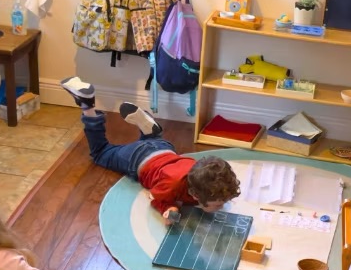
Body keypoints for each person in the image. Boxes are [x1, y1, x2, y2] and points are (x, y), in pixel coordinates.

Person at [61, 77, 240, 223]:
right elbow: (154, 196)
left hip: (164, 148)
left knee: (155, 143)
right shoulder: (172, 185)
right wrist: (169, 208)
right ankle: (88, 106)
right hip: (137, 158)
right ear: (194, 194)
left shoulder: (200, 172)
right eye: (217, 205)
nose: (221, 207)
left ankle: (151, 132)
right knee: (101, 153)